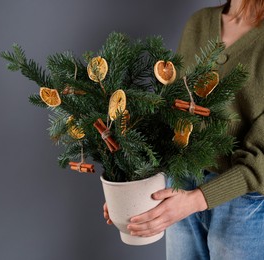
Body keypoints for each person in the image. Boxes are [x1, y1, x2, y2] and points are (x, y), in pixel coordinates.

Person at [104, 0, 264, 259]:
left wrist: (196, 200)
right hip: (179, 183)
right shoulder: (198, 24)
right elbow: (170, 114)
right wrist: (130, 188)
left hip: (244, 202)